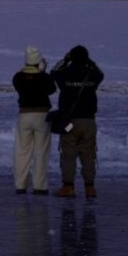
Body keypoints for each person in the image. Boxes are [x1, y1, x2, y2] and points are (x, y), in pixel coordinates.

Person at [50, 45, 104, 198]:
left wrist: (65, 60)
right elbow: (100, 73)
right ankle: (90, 187)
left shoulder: (65, 73)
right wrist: (89, 62)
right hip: (88, 120)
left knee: (68, 155)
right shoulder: (92, 74)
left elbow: (53, 72)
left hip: (70, 121)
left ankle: (68, 187)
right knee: (88, 154)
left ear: (71, 58)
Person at [12, 46, 55, 195]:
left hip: (24, 115)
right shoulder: (44, 77)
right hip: (42, 115)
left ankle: (20, 185)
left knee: (22, 151)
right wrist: (42, 72)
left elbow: (18, 83)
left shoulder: (18, 77)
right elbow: (52, 89)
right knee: (41, 151)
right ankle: (40, 186)